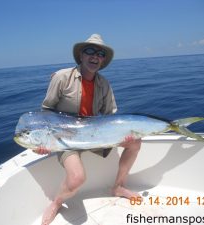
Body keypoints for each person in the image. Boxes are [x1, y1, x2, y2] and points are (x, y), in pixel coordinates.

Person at [34, 34, 142, 225]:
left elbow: (110, 115)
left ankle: (118, 187)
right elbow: (46, 111)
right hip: (65, 139)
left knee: (135, 142)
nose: (95, 56)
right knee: (77, 178)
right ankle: (56, 203)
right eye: (90, 51)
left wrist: (122, 133)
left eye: (100, 53)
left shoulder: (104, 84)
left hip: (94, 136)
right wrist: (44, 142)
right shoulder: (61, 77)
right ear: (81, 56)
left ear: (103, 59)